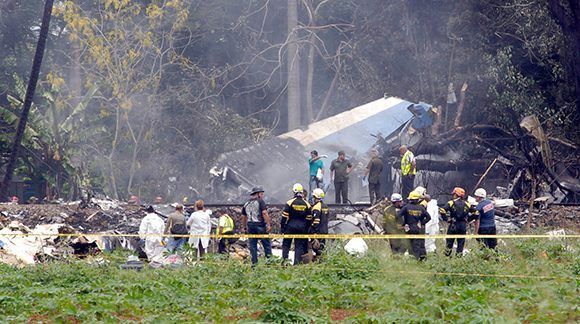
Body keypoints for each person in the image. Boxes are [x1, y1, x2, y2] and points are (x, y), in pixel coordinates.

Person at [281, 183, 312, 265]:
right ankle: (296, 264)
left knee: (286, 245)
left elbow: (284, 217)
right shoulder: (307, 204)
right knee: (298, 246)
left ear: (293, 191)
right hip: (301, 228)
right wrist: (306, 229)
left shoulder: (289, 202)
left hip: (290, 226)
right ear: (302, 192)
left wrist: (282, 228)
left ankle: (284, 263)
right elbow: (309, 219)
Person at [439, 187, 474, 256]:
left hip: (453, 224)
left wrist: (447, 219)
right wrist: (468, 220)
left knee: (449, 242)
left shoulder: (451, 202)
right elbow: (476, 213)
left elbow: (442, 210)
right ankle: (459, 257)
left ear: (455, 194)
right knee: (460, 243)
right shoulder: (467, 204)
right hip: (463, 225)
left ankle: (447, 256)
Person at [242, 186, 272, 265]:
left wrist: (244, 227)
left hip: (250, 226)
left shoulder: (246, 203)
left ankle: (254, 264)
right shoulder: (260, 202)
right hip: (260, 225)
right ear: (257, 194)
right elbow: (264, 213)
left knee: (253, 246)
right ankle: (269, 262)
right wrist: (268, 225)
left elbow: (244, 217)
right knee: (266, 244)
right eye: (261, 194)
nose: (262, 196)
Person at [397, 191, 431, 260]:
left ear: (410, 199)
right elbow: (428, 217)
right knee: (416, 247)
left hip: (408, 229)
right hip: (417, 230)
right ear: (418, 199)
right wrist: (421, 223)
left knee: (404, 245)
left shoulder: (406, 207)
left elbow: (398, 216)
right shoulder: (421, 208)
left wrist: (403, 224)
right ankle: (416, 261)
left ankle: (397, 260)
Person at [415, 186, 439, 253]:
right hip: (430, 227)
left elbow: (430, 218)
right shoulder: (427, 204)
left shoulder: (429, 205)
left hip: (430, 228)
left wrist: (427, 229)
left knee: (429, 245)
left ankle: (432, 258)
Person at [310, 188, 329, 260]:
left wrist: (313, 231)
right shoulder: (325, 206)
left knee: (316, 248)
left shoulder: (316, 207)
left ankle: (319, 261)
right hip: (324, 230)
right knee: (322, 247)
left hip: (318, 231)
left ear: (315, 197)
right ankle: (322, 261)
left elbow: (316, 221)